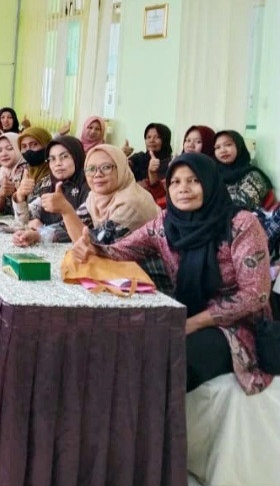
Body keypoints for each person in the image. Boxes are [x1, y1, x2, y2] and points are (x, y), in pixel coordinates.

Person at [73, 153, 273, 394]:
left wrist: (192, 323)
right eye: (175, 182)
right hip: (184, 312)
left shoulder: (241, 224)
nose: (183, 189)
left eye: (194, 181)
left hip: (236, 327)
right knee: (122, 347)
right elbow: (123, 250)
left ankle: (160, 419)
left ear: (210, 182)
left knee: (167, 363)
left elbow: (255, 294)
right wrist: (93, 249)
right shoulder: (166, 223)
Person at [12, 136, 89, 246]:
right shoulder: (48, 183)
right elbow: (26, 220)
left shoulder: (89, 185)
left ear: (77, 156)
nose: (58, 163)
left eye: (64, 156)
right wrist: (20, 196)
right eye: (52, 159)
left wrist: (41, 232)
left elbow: (80, 223)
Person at [214, 130, 275, 211]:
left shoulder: (254, 176)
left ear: (239, 146)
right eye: (217, 147)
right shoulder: (214, 173)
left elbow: (240, 206)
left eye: (228, 144)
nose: (222, 150)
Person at [128, 123, 173, 206]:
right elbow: (122, 169)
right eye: (148, 137)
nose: (151, 140)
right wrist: (121, 154)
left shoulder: (171, 164)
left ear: (165, 140)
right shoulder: (139, 157)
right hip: (132, 203)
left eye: (157, 137)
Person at [0, 133, 27, 215]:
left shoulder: (26, 171)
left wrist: (0, 197)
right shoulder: (3, 171)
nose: (3, 154)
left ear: (19, 149)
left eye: (9, 148)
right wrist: (1, 195)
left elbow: (14, 209)